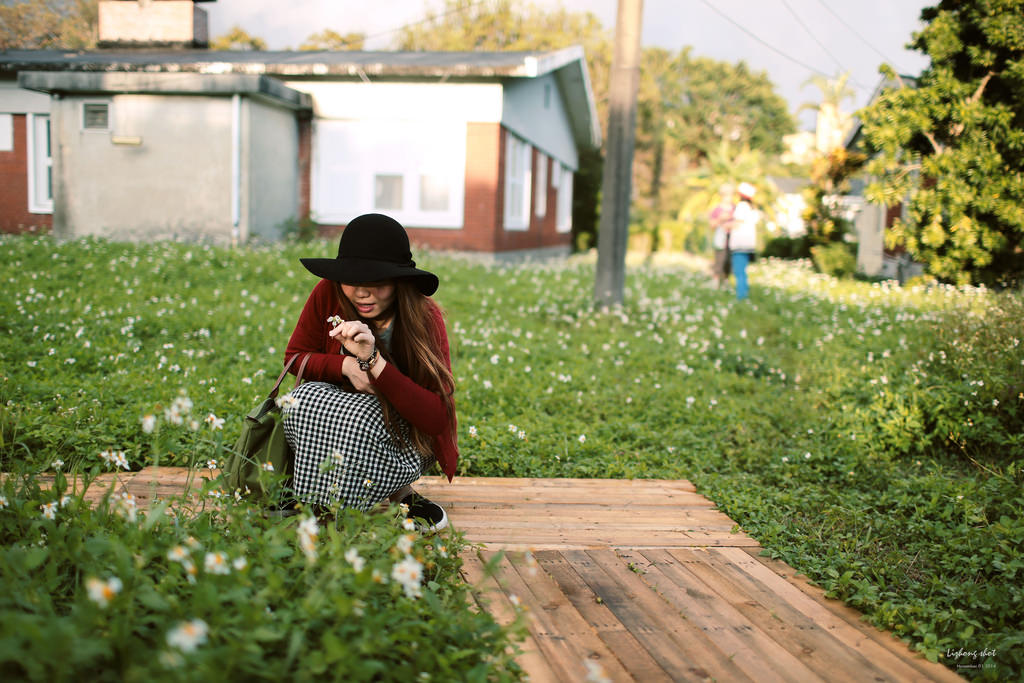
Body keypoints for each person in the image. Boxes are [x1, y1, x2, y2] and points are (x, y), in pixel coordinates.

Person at [281, 213, 457, 531]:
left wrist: (373, 360)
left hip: (398, 437)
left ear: (399, 280)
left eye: (376, 283)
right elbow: (295, 358)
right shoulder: (328, 293)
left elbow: (436, 418)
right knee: (302, 398)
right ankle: (312, 495)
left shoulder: (424, 318)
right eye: (352, 281)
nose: (362, 293)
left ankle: (396, 491)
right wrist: (346, 366)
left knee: (364, 415)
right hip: (332, 428)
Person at [729, 182, 760, 301]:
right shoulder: (752, 208)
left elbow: (737, 223)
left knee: (739, 272)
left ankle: (741, 297)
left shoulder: (741, 206)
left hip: (739, 245)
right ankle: (744, 294)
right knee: (743, 272)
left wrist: (725, 224)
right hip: (748, 244)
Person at [709, 184, 735, 289]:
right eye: (726, 195)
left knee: (728, 261)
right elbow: (712, 225)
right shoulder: (717, 209)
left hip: (732, 238)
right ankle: (715, 281)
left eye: (730, 195)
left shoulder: (735, 208)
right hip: (720, 238)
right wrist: (721, 219)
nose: (728, 198)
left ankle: (726, 281)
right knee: (719, 259)